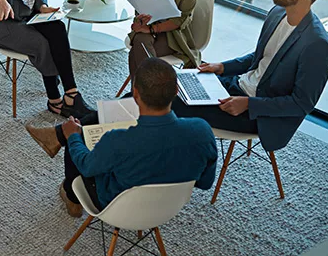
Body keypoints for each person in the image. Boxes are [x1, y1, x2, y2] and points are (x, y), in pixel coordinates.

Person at [173, 0, 328, 152]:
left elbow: (301, 104)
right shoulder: (277, 13)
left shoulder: (316, 45)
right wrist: (223, 67)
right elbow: (260, 57)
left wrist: (249, 104)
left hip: (258, 115)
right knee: (165, 85)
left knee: (169, 104)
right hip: (236, 87)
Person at [25, 58, 217, 216]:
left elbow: (86, 165)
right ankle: (57, 136)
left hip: (116, 206)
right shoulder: (203, 131)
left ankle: (72, 197)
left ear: (135, 94)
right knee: (90, 126)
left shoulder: (116, 141)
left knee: (78, 138)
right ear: (176, 91)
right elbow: (205, 182)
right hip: (167, 208)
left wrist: (73, 137)